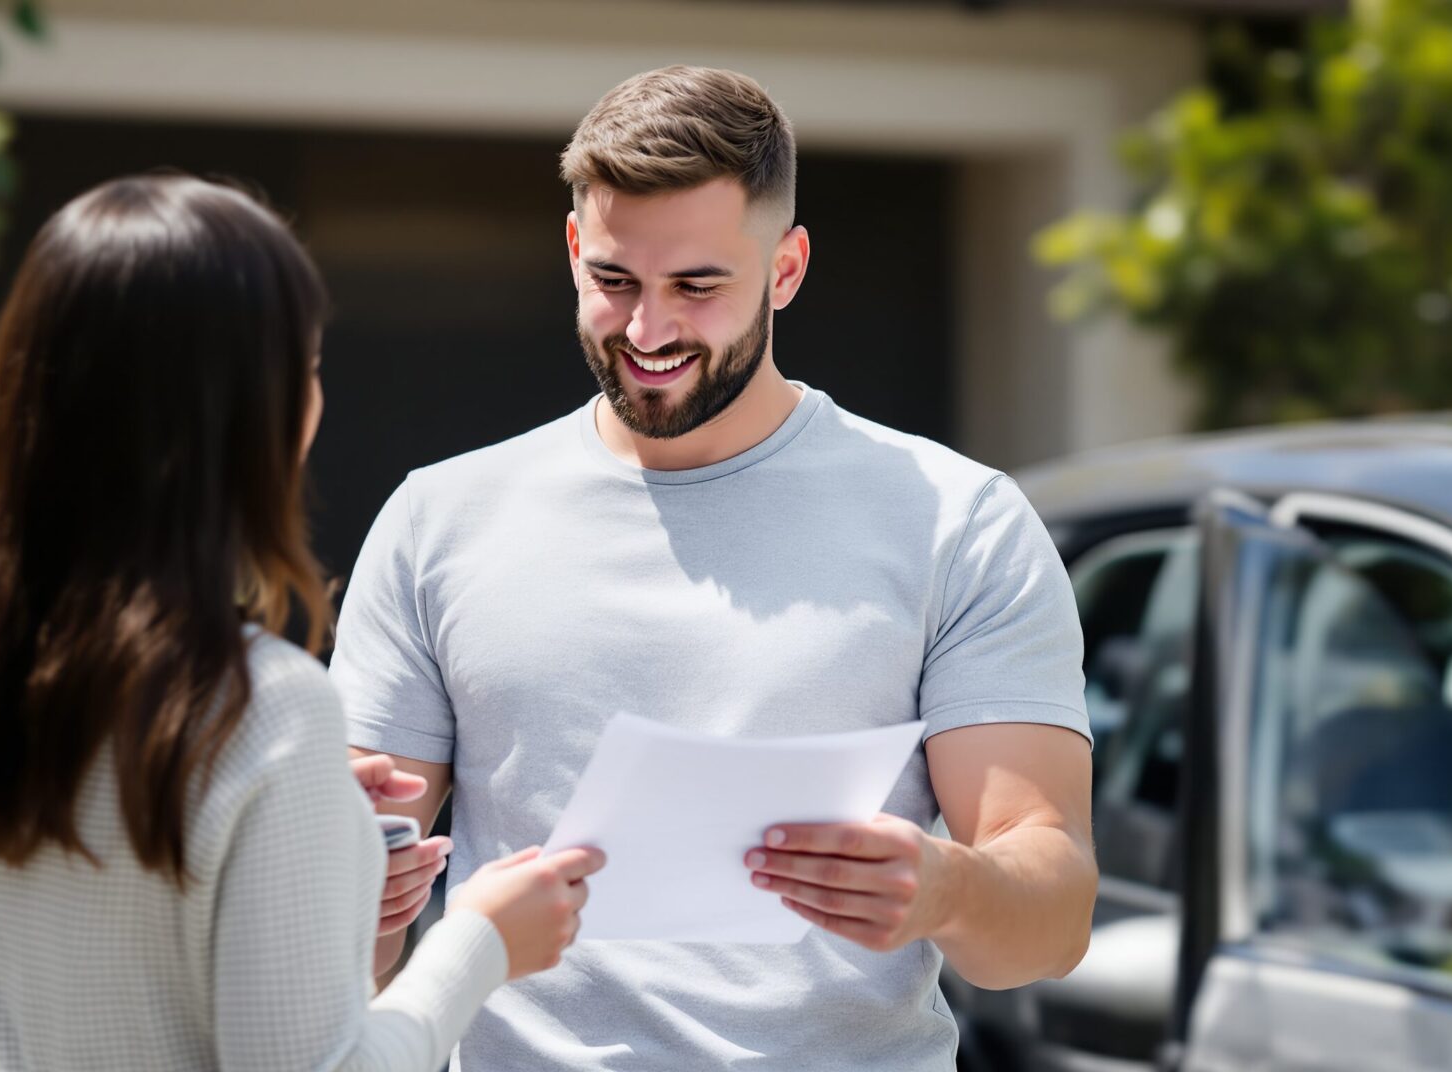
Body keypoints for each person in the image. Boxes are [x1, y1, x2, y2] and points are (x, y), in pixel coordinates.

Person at [336, 66, 1097, 1070]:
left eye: (698, 286)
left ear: (786, 269)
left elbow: (1051, 913)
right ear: (573, 250)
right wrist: (351, 877)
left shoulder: (956, 519)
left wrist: (946, 887)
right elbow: (352, 949)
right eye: (615, 282)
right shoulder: (440, 518)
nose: (648, 332)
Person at [0, 173, 604, 1072]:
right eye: (303, 367)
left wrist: (321, 847)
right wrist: (481, 939)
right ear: (245, 414)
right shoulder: (262, 707)